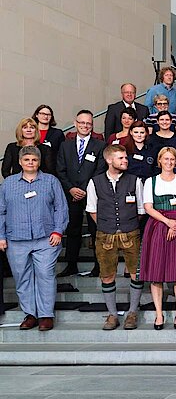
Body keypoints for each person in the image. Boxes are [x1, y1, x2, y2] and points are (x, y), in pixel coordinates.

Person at [0, 146, 68, 331]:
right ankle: (30, 314)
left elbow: (60, 207)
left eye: (34, 160)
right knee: (22, 277)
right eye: (27, 160)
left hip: (46, 238)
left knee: (45, 275)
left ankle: (46, 315)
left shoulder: (51, 181)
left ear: (39, 162)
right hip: (16, 239)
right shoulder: (8, 184)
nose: (31, 163)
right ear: (20, 162)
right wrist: (1, 236)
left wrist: (58, 231)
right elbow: (1, 211)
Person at [85, 145, 145, 330]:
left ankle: (132, 312)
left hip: (131, 233)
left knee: (136, 273)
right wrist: (106, 224)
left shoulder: (135, 180)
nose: (125, 160)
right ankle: (112, 314)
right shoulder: (95, 182)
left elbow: (141, 209)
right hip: (105, 235)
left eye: (126, 158)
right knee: (107, 275)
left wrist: (127, 223)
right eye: (121, 158)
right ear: (109, 160)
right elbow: (92, 209)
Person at [141, 147, 176, 330]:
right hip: (157, 225)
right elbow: (148, 207)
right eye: (166, 159)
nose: (169, 162)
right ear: (160, 161)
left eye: (172, 159)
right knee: (156, 274)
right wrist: (167, 222)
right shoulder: (150, 181)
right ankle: (159, 314)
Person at [55, 110, 107, 277]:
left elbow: (100, 170)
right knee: (72, 230)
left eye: (88, 123)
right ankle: (71, 265)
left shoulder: (100, 145)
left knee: (95, 230)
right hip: (71, 195)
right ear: (76, 123)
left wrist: (84, 189)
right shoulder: (65, 145)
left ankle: (99, 266)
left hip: (91, 194)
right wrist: (71, 188)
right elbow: (60, 170)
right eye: (82, 122)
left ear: (92, 125)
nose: (85, 126)